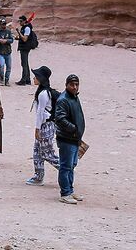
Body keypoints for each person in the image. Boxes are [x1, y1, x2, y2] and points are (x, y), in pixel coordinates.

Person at [53, 73, 86, 204]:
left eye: (76, 84)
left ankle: (70, 190)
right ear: (66, 85)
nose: (74, 87)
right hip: (67, 138)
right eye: (72, 84)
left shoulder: (74, 97)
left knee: (72, 166)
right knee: (65, 166)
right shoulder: (63, 99)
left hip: (74, 138)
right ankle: (65, 193)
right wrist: (73, 129)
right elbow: (60, 119)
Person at [26, 66, 61, 186]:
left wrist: (37, 129)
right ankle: (38, 176)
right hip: (46, 125)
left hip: (45, 126)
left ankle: (65, 170)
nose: (33, 78)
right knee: (37, 152)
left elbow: (40, 113)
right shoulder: (44, 91)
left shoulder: (43, 94)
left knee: (46, 153)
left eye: (36, 76)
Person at [16, 14, 37, 85]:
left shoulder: (27, 28)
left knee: (24, 64)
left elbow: (25, 39)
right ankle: (27, 79)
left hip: (25, 47)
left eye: (21, 21)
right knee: (25, 63)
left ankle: (24, 79)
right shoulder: (25, 27)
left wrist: (18, 32)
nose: (20, 23)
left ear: (24, 21)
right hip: (24, 47)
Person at [0, 19, 14, 88]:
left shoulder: (8, 31)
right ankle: (2, 79)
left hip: (8, 51)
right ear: (0, 24)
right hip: (0, 52)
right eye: (2, 24)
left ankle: (7, 80)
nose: (4, 25)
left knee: (9, 66)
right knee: (1, 65)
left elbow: (12, 40)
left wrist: (6, 41)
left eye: (5, 24)